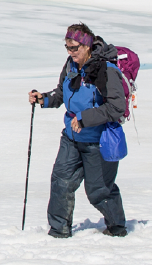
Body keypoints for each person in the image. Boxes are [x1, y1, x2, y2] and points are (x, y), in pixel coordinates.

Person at [29, 23, 127, 238]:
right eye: (67, 48)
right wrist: (44, 98)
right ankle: (58, 232)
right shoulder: (71, 66)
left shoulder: (107, 71)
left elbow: (117, 107)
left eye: (75, 48)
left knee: (99, 191)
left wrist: (85, 119)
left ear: (88, 45)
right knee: (60, 183)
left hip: (98, 142)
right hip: (72, 138)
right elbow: (62, 94)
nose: (71, 52)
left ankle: (117, 228)